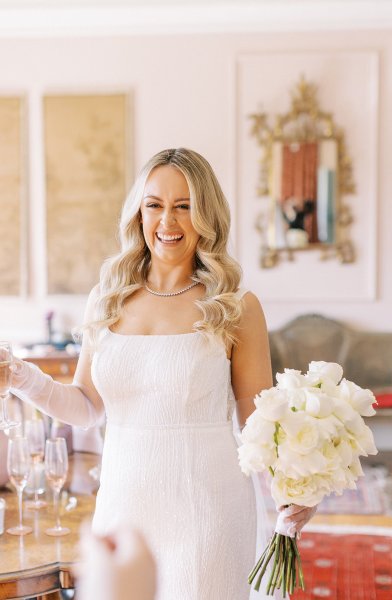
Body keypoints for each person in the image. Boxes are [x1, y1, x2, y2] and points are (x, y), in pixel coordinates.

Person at [10, 148, 316, 599]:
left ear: (206, 214)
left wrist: (291, 485)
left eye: (184, 206)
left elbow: (257, 421)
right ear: (138, 212)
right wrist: (20, 376)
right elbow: (88, 407)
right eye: (154, 205)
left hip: (207, 506)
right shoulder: (107, 298)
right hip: (124, 503)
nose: (167, 222)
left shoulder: (235, 306)